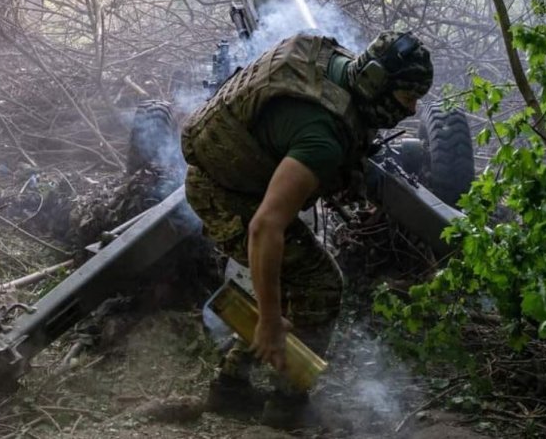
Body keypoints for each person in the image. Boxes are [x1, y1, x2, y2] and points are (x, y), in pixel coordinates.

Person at [181, 27, 433, 427]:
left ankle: (231, 386)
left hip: (240, 177)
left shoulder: (336, 64)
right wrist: (267, 319)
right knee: (320, 284)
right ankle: (287, 404)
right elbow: (265, 227)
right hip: (225, 194)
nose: (413, 110)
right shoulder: (322, 140)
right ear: (375, 83)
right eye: (407, 98)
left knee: (287, 276)